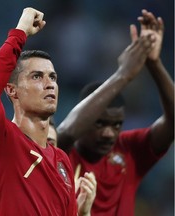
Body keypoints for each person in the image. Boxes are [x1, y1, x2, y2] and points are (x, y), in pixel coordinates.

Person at [0, 7, 97, 216]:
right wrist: (20, 31)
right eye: (37, 77)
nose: (49, 84)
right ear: (12, 90)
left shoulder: (62, 161)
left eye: (53, 77)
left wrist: (82, 214)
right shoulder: (0, 137)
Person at [56, 9, 174, 216]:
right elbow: (66, 131)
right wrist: (123, 74)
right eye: (99, 124)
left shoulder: (129, 149)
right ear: (86, 117)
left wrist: (154, 64)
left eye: (117, 125)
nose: (109, 133)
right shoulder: (61, 155)